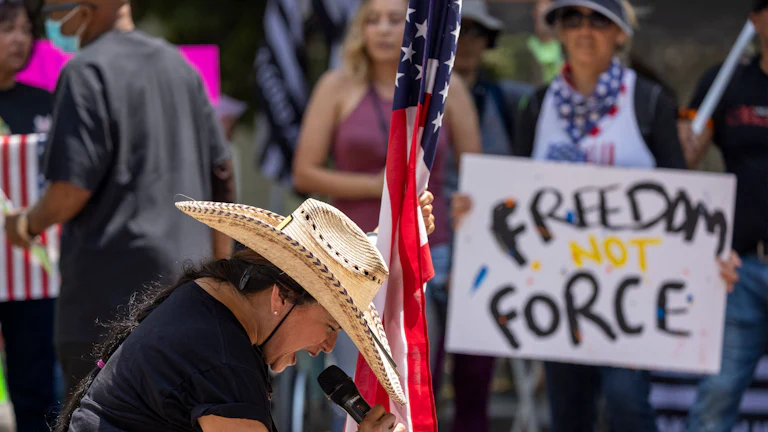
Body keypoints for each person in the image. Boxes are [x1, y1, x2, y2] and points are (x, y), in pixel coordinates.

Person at [452, 0, 741, 431]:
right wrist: (475, 214)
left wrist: (711, 258)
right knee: (569, 411)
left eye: (599, 21)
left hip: (631, 298)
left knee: (627, 403)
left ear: (621, 33)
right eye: (573, 19)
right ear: (560, 32)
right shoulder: (536, 106)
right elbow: (513, 196)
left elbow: (683, 199)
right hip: (554, 295)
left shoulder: (648, 101)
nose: (585, 30)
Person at [3, 0, 236, 398]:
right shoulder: (180, 67)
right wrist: (219, 279)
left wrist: (26, 223)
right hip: (186, 295)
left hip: (106, 306)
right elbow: (223, 179)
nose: (55, 18)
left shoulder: (85, 71)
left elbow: (70, 190)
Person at [55, 194, 437, 432]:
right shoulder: (222, 360)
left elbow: (321, 269)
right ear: (279, 298)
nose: (327, 345)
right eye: (331, 325)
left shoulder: (209, 301)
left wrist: (384, 239)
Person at [292, 0, 481, 427]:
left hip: (430, 255)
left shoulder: (445, 91)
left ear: (417, 27)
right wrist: (386, 190)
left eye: (395, 20)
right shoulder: (336, 87)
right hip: (351, 256)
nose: (381, 29)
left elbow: (476, 170)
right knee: (357, 376)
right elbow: (304, 171)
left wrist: (460, 199)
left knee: (416, 374)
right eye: (371, 20)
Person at [428, 1, 532, 430]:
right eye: (458, 29)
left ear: (487, 42)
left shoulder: (510, 100)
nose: (464, 40)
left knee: (476, 377)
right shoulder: (418, 96)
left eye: (473, 32)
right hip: (430, 244)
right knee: (421, 377)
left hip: (486, 249)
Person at [679, 1, 768, 430]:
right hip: (741, 267)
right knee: (717, 396)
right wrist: (686, 141)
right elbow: (682, 164)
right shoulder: (727, 80)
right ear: (755, 19)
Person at [0, 2, 58, 429]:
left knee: (36, 384)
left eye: (24, 29)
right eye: (6, 29)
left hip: (34, 270)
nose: (18, 39)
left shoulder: (47, 103)